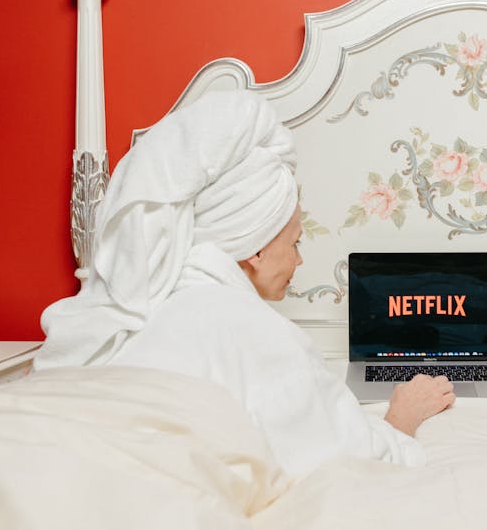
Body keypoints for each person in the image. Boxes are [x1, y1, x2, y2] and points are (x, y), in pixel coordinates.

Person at [34, 89, 455, 477]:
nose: (299, 259)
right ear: (254, 249)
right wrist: (402, 418)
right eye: (294, 242)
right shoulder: (242, 324)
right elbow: (344, 465)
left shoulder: (152, 307)